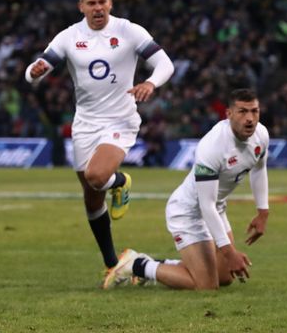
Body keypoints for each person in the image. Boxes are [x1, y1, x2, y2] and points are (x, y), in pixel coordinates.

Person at [24, 0, 174, 277]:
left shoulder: (129, 30)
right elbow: (34, 72)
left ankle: (119, 181)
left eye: (102, 2)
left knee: (96, 176)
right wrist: (34, 71)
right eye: (91, 3)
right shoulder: (69, 37)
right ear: (81, 6)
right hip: (85, 124)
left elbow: (165, 64)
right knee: (92, 197)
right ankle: (111, 264)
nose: (98, 8)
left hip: (120, 120)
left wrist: (149, 83)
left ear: (110, 3)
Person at [103, 88, 270, 290]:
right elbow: (205, 205)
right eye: (243, 111)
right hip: (188, 212)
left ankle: (169, 265)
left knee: (224, 277)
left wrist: (263, 212)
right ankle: (136, 265)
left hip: (216, 208)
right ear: (228, 114)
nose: (250, 118)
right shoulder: (212, 146)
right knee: (207, 285)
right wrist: (229, 252)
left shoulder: (261, 134)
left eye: (254, 111)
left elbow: (259, 169)